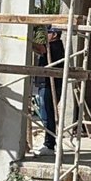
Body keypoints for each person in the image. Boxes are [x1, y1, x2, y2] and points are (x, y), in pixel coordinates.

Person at [33, 27, 64, 156]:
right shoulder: (50, 46)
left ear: (54, 34)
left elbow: (40, 49)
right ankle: (49, 142)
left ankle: (49, 144)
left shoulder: (55, 46)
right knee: (46, 114)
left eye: (49, 33)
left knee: (47, 115)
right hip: (45, 84)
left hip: (50, 86)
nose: (47, 35)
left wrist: (27, 40)